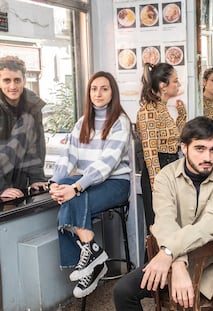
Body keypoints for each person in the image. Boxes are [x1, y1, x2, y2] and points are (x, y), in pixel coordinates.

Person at [113, 116, 213, 311]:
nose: (208, 157)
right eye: (200, 148)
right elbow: (164, 221)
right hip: (171, 260)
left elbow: (210, 225)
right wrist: (177, 262)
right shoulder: (165, 177)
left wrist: (169, 252)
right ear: (184, 147)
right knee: (122, 291)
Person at [48, 71, 131, 298]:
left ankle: (92, 260)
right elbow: (68, 156)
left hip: (115, 183)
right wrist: (55, 183)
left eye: (104, 88)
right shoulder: (82, 122)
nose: (98, 93)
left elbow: (107, 164)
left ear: (112, 92)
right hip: (90, 183)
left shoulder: (120, 122)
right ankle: (92, 252)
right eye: (94, 89)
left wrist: (75, 187)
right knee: (66, 189)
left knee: (72, 196)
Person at [137, 62, 187, 230]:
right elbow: (150, 156)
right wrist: (157, 190)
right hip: (158, 173)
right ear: (163, 86)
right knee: (158, 231)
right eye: (175, 81)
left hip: (170, 169)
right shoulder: (148, 111)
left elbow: (173, 140)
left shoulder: (163, 109)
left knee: (172, 230)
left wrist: (182, 115)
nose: (178, 84)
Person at [0, 55, 47, 199]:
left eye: (17, 80)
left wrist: (36, 178)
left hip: (19, 187)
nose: (12, 86)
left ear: (24, 81)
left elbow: (36, 146)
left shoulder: (32, 107)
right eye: (7, 80)